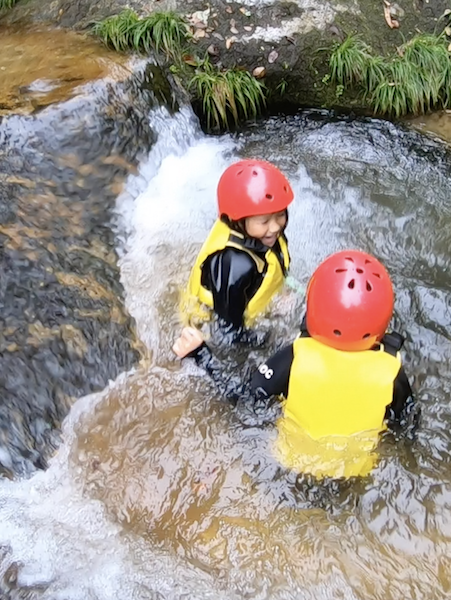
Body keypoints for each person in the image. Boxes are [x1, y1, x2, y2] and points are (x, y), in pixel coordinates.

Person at [173, 250, 415, 480]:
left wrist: (202, 355)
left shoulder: (294, 357)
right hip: (353, 475)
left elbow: (244, 397)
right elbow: (406, 422)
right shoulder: (392, 372)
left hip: (288, 470)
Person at [180, 158, 294, 342]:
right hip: (213, 325)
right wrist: (272, 338)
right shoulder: (234, 263)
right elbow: (227, 332)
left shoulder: (266, 235)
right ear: (238, 221)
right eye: (264, 221)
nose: (274, 227)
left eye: (280, 215)